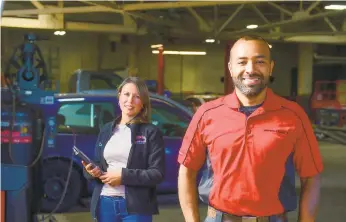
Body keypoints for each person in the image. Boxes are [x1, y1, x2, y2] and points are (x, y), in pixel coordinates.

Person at [177, 35, 323, 222]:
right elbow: (187, 170)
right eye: (242, 62)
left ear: (271, 67)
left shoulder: (294, 115)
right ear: (231, 68)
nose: (250, 69)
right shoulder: (207, 114)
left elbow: (311, 177)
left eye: (259, 61)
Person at [83, 77, 165, 222]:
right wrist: (91, 171)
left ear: (143, 103)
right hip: (104, 202)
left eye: (137, 96)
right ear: (119, 95)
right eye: (126, 94)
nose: (130, 100)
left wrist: (123, 176)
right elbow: (98, 162)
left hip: (136, 208)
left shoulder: (150, 132)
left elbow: (157, 174)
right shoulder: (107, 129)